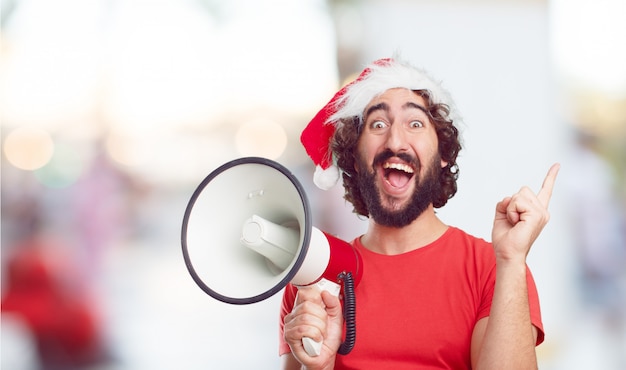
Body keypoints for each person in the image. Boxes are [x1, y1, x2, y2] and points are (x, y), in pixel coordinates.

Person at [278, 57, 560, 370]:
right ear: (355, 160)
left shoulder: (493, 268)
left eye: (415, 124)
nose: (396, 140)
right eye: (378, 125)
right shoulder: (315, 275)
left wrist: (511, 261)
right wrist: (319, 365)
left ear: (441, 155)